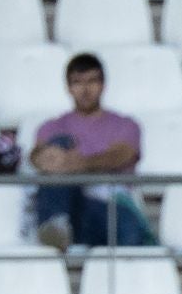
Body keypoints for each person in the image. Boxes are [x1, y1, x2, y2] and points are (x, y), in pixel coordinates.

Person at [31, 52, 151, 254]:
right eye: (77, 83)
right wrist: (59, 162)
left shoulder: (126, 125)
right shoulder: (51, 127)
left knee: (129, 230)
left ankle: (57, 226)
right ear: (68, 88)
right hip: (70, 203)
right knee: (59, 143)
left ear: (103, 85)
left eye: (92, 81)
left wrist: (77, 165)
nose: (85, 90)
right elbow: (39, 158)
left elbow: (121, 155)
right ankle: (56, 226)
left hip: (109, 203)